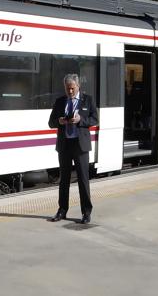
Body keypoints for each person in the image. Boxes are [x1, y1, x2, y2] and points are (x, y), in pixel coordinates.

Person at [48, 73, 99, 224]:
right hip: (64, 145)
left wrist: (80, 120)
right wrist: (60, 121)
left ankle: (86, 212)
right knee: (64, 180)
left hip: (80, 145)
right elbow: (51, 122)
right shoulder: (60, 102)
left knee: (83, 180)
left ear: (78, 86)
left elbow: (95, 119)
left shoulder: (87, 100)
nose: (70, 91)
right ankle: (62, 210)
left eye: (72, 88)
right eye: (67, 88)